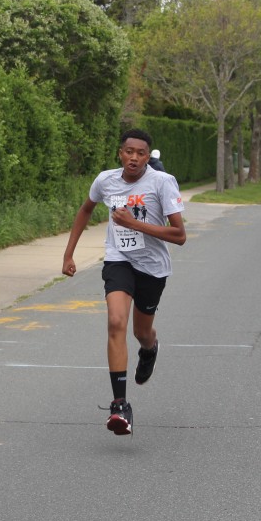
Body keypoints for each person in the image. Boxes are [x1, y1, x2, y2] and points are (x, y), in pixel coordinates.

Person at [62, 129, 186, 436]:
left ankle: (150, 348)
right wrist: (69, 254)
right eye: (129, 152)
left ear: (147, 158)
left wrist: (134, 224)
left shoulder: (162, 182)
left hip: (153, 267)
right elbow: (86, 209)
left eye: (140, 153)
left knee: (141, 331)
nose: (134, 158)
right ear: (120, 153)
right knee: (116, 321)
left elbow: (179, 235)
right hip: (119, 259)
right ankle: (120, 405)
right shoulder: (105, 180)